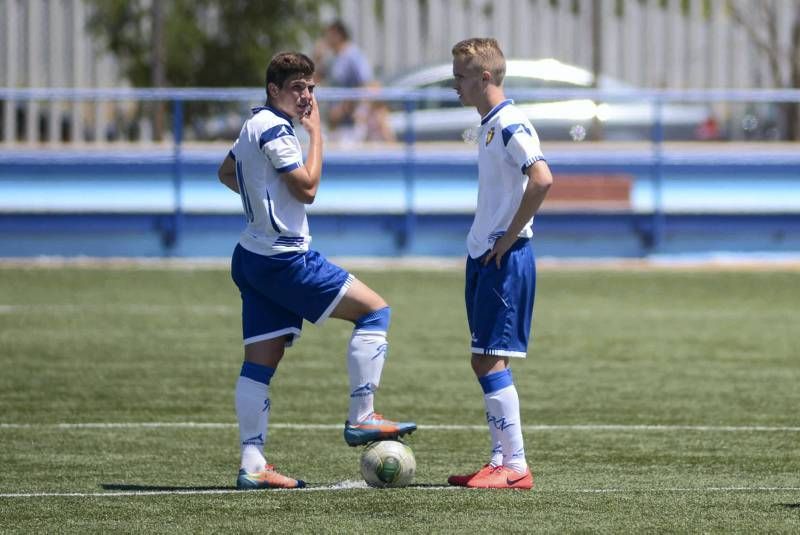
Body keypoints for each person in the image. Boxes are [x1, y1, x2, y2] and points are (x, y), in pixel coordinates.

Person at [217, 52, 416, 490]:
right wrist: (318, 133)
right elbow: (307, 188)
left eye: (310, 89)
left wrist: (261, 200)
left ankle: (253, 464)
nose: (307, 97)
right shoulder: (277, 128)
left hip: (252, 256)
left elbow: (227, 171)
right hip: (286, 259)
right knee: (374, 312)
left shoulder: (254, 124)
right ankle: (362, 416)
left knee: (260, 363)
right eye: (297, 89)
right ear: (274, 91)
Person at [446, 38, 553, 490]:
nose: (455, 85)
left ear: (484, 78)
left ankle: (516, 466)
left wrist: (507, 238)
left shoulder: (509, 122)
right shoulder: (490, 124)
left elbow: (543, 178)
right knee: (484, 360)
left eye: (461, 77)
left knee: (489, 362)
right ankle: (500, 459)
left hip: (503, 259)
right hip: (484, 256)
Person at [313, 20, 373, 137]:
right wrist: (317, 58)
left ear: (338, 35)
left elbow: (365, 85)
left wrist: (343, 109)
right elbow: (315, 80)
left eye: (328, 35)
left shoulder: (353, 55)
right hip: (334, 124)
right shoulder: (331, 57)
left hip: (351, 124)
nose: (326, 38)